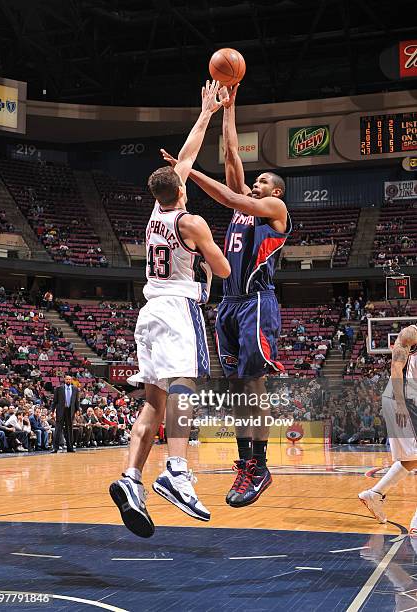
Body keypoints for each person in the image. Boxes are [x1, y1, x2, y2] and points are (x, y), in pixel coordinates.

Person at [109, 80, 230, 538]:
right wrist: (208, 250)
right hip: (179, 308)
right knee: (186, 389)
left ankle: (131, 478)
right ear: (182, 190)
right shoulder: (192, 221)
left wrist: (206, 113)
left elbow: (186, 157)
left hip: (148, 313)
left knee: (152, 405)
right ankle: (176, 471)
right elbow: (220, 268)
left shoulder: (156, 215)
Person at [161, 83, 291, 508]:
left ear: (276, 193)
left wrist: (188, 171)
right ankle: (245, 462)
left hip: (256, 303)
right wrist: (229, 108)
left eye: (264, 180)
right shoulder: (243, 204)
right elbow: (233, 155)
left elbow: (232, 192)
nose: (257, 182)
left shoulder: (274, 212)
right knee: (235, 389)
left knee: (252, 386)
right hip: (229, 307)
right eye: (256, 180)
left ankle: (261, 463)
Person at [358, 324, 417, 533]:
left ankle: (375, 494)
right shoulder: (411, 333)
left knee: (411, 460)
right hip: (401, 400)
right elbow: (395, 368)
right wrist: (401, 403)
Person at [51, 374, 80, 453]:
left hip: (70, 411)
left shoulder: (75, 389)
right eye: (67, 379)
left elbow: (76, 401)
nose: (68, 381)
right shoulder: (59, 388)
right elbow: (54, 401)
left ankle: (70, 447)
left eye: (69, 379)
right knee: (58, 430)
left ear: (71, 380)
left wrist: (78, 410)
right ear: (64, 380)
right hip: (61, 410)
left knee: (69, 430)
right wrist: (52, 411)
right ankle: (55, 448)